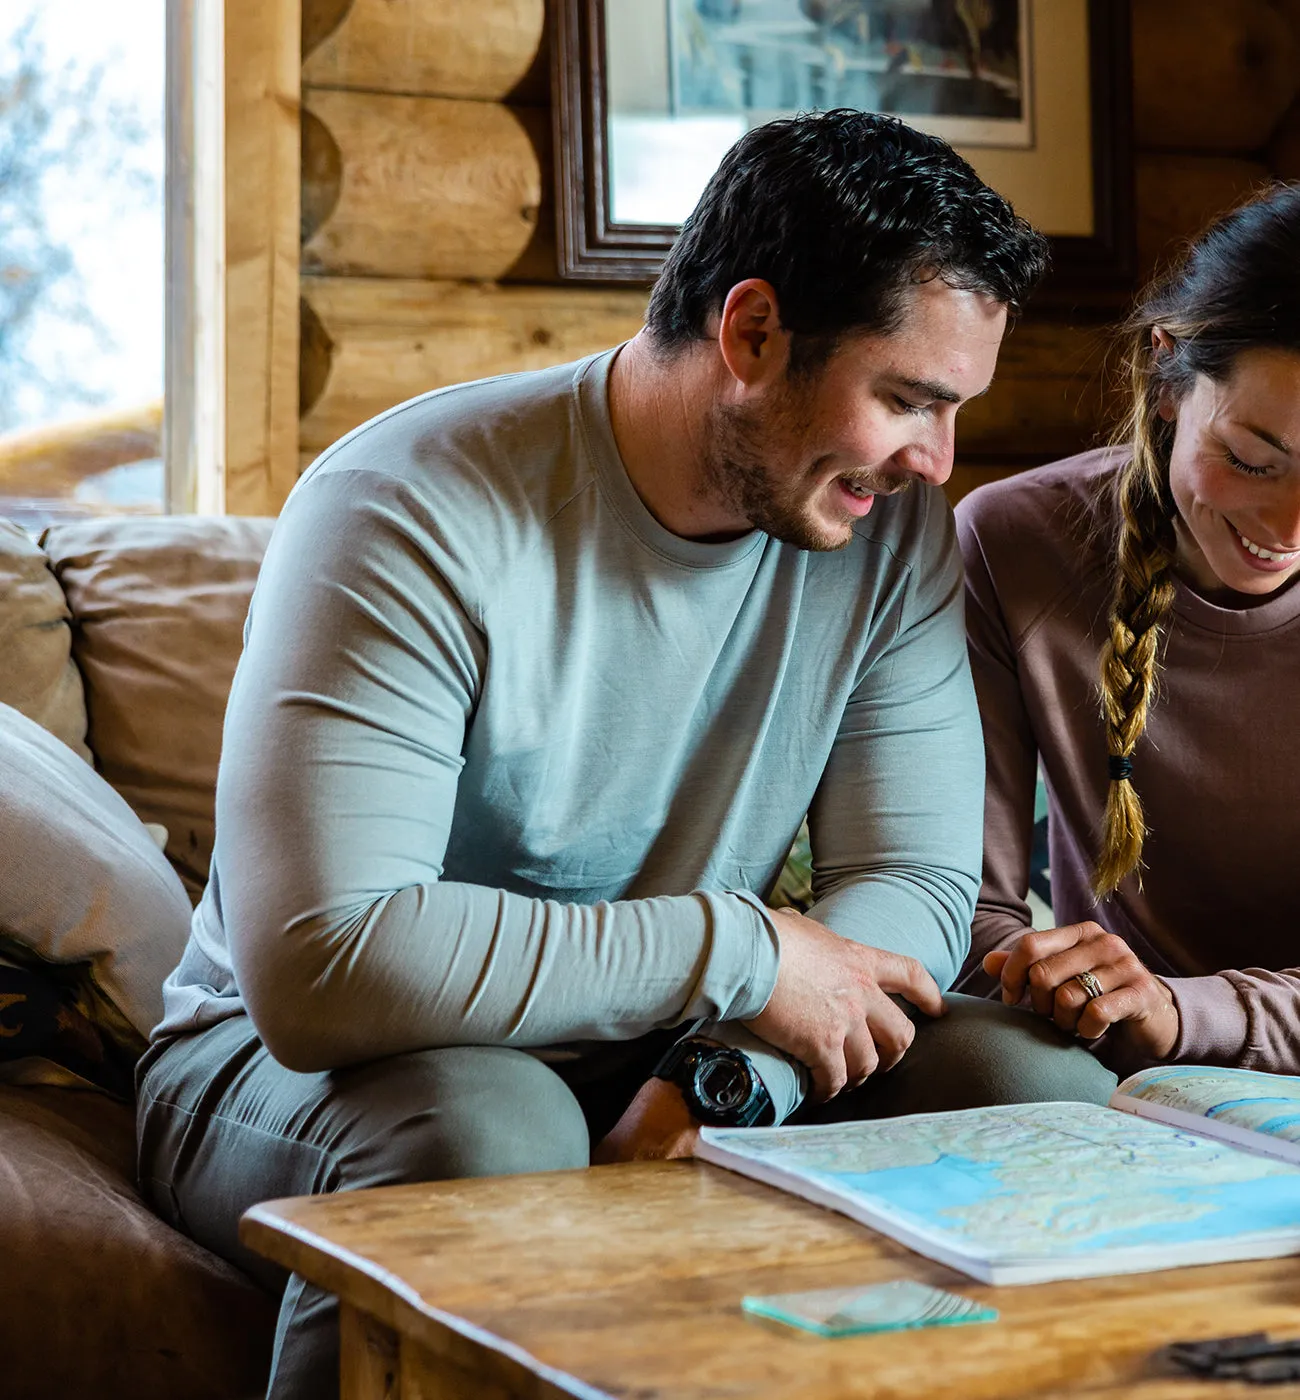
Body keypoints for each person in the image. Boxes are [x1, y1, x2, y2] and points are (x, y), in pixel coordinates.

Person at [137, 110, 1109, 1400]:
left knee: (1031, 1081)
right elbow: (326, 961)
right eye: (905, 400)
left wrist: (724, 1078)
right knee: (499, 1124)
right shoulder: (408, 504)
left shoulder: (885, 529)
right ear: (751, 333)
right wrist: (740, 950)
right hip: (301, 1064)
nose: (935, 461)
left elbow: (915, 894)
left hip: (672, 1037)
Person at [955, 183, 1300, 1078]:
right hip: (1107, 1064)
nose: (1292, 527)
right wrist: (1077, 990)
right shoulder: (1013, 543)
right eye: (1254, 461)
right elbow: (965, 907)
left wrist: (1189, 1012)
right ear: (1167, 378)